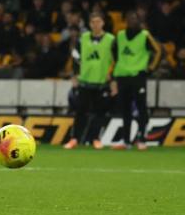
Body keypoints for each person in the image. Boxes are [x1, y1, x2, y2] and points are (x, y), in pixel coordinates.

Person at [64, 12, 115, 149]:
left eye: (98, 21)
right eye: (93, 22)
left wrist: (112, 77)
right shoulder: (83, 38)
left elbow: (116, 59)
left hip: (102, 81)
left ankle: (95, 139)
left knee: (100, 112)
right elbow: (75, 56)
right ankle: (74, 139)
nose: (96, 24)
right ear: (90, 24)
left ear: (103, 23)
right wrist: (75, 75)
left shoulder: (111, 39)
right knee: (80, 112)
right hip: (85, 81)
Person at [110, 11, 161, 150]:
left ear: (139, 21)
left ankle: (142, 139)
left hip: (138, 76)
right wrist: (117, 66)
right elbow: (112, 50)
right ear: (125, 20)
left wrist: (150, 69)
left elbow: (158, 51)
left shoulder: (145, 35)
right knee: (125, 109)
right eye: (129, 18)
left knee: (141, 107)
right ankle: (126, 140)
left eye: (135, 18)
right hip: (122, 76)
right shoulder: (120, 35)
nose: (132, 21)